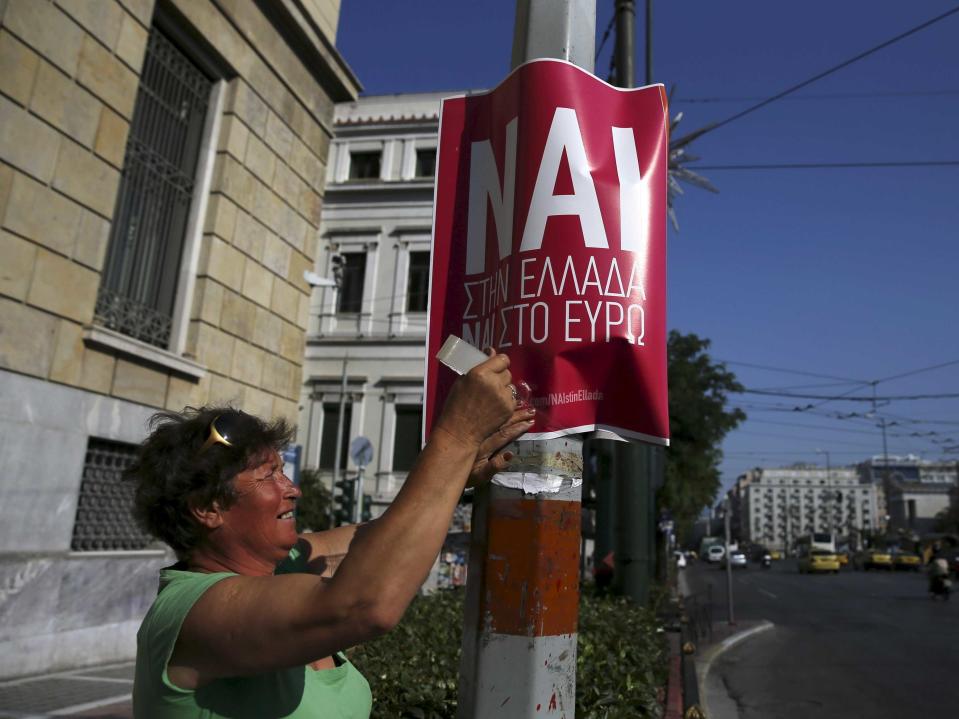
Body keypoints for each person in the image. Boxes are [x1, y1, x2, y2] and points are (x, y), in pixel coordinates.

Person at [128, 350, 533, 718]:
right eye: (269, 475)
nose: (293, 488)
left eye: (282, 469)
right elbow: (363, 604)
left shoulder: (280, 568)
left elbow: (380, 539)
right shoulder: (191, 612)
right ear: (208, 508)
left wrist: (457, 470)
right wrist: (456, 436)